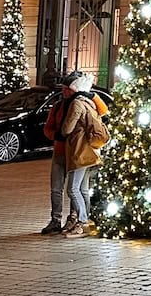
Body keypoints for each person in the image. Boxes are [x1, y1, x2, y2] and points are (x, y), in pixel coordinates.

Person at [40, 71, 108, 237]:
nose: (64, 92)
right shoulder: (58, 106)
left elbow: (103, 111)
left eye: (67, 89)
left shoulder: (81, 102)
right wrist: (55, 136)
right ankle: (56, 220)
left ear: (74, 89)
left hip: (76, 152)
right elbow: (49, 127)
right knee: (58, 188)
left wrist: (92, 95)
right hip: (60, 151)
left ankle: (76, 219)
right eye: (63, 89)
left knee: (75, 189)